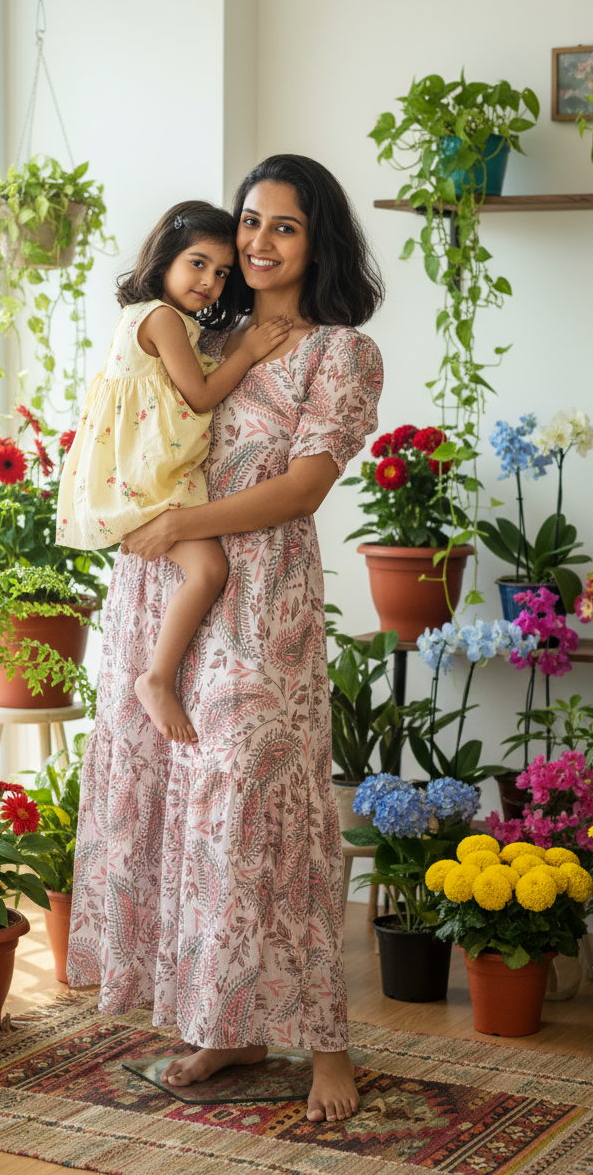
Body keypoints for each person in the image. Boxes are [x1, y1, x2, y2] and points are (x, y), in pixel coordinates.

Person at [68, 155, 384, 1124]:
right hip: (166, 593)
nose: (256, 242)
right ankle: (227, 1021)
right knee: (194, 815)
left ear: (317, 240)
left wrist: (183, 528)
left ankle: (326, 1038)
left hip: (261, 608)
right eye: (250, 221)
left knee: (269, 808)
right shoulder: (211, 325)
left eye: (282, 227)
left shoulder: (341, 352)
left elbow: (301, 488)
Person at [56, 201, 292, 741]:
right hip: (147, 483)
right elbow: (202, 393)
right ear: (165, 258)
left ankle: (158, 676)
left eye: (222, 272)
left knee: (206, 570)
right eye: (198, 263)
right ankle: (157, 679)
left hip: (148, 474)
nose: (210, 281)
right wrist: (251, 349)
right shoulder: (161, 319)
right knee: (209, 571)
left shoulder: (164, 320)